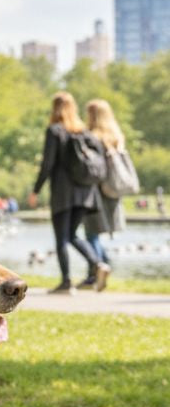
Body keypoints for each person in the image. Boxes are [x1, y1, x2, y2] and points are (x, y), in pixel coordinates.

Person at [28, 91, 109, 294]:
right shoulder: (84, 132)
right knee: (73, 235)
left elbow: (47, 164)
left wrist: (36, 190)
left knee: (62, 238)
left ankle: (66, 282)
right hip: (86, 193)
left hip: (63, 194)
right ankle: (97, 263)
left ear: (54, 108)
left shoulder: (55, 131)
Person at [81, 99, 130, 290]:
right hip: (113, 191)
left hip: (96, 191)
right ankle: (102, 268)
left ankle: (97, 270)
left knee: (91, 233)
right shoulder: (117, 136)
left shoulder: (94, 137)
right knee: (98, 233)